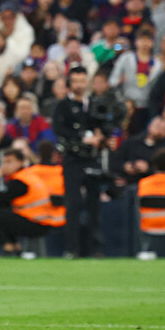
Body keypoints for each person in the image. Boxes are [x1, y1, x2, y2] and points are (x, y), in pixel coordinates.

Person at [52, 66, 104, 258]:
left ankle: (94, 248)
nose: (79, 85)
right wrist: (82, 138)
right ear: (69, 83)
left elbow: (105, 126)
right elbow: (59, 129)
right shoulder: (62, 106)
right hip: (72, 159)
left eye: (82, 81)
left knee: (94, 205)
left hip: (92, 159)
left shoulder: (95, 104)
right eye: (75, 81)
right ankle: (72, 248)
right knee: (72, 204)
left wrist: (101, 137)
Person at [0, 148, 55, 257]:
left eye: (9, 162)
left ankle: (8, 248)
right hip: (41, 221)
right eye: (4, 162)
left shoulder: (20, 181)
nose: (5, 166)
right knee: (2, 214)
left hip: (35, 222)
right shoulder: (27, 176)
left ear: (20, 162)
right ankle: (16, 248)